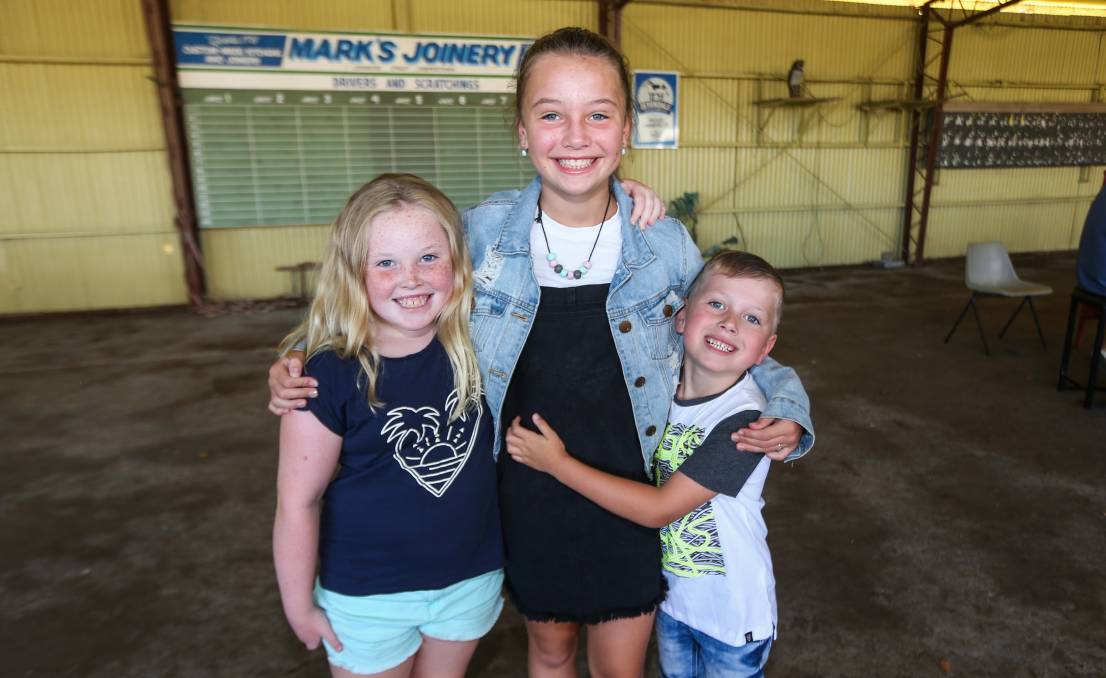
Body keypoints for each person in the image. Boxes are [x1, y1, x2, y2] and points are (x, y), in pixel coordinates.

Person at [269, 27, 814, 678]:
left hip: (632, 491)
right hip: (527, 488)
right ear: (522, 131)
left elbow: (729, 341)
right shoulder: (480, 232)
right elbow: (385, 289)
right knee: (550, 653)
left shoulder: (664, 244)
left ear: (626, 130)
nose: (576, 136)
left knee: (622, 665)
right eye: (551, 114)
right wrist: (301, 358)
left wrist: (790, 406)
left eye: (599, 115)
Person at [506, 251, 790, 678]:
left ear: (765, 349)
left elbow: (661, 508)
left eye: (752, 319)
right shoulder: (658, 386)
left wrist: (557, 464)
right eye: (716, 304)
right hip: (676, 606)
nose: (730, 322)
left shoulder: (745, 422)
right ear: (681, 317)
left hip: (732, 617)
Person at [272, 174, 504, 678]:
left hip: (470, 580)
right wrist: (297, 604)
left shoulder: (486, 348)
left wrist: (621, 197)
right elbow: (298, 501)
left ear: (457, 262)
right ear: (353, 273)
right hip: (365, 592)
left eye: (428, 257)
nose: (412, 278)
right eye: (385, 263)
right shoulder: (326, 375)